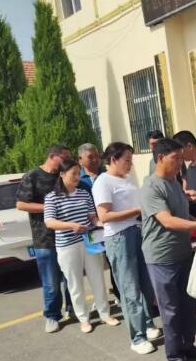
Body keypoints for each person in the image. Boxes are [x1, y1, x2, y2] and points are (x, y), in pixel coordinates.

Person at [141, 138, 196, 361]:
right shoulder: (151, 187)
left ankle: (188, 345)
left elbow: (183, 214)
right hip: (162, 257)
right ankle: (175, 355)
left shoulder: (175, 183)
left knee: (188, 304)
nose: (180, 163)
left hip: (183, 252)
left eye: (181, 158)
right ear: (160, 158)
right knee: (170, 309)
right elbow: (167, 221)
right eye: (175, 158)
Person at [92, 142, 161, 355]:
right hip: (119, 237)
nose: (130, 164)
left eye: (131, 160)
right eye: (127, 160)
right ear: (113, 159)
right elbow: (104, 216)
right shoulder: (103, 182)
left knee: (145, 284)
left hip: (137, 232)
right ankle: (137, 337)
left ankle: (147, 323)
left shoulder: (127, 178)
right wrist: (136, 210)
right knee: (130, 288)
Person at [44, 159, 120, 333]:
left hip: (90, 242)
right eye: (74, 174)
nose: (78, 177)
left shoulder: (84, 194)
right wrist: (71, 226)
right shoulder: (51, 197)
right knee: (75, 284)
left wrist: (101, 224)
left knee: (98, 279)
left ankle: (104, 314)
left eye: (79, 173)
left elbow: (92, 217)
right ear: (62, 175)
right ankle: (84, 319)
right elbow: (49, 222)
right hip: (67, 246)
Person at [16, 144, 74, 333]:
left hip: (67, 235)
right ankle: (52, 316)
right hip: (44, 238)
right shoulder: (32, 176)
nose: (67, 162)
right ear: (52, 156)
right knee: (51, 282)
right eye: (65, 158)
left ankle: (73, 308)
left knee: (71, 277)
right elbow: (21, 204)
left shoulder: (62, 176)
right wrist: (49, 206)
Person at [77, 142, 120, 303]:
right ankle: (99, 300)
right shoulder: (77, 179)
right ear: (80, 159)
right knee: (94, 267)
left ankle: (119, 294)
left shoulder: (108, 173)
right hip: (89, 228)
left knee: (114, 262)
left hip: (109, 224)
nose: (95, 159)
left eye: (97, 156)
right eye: (90, 157)